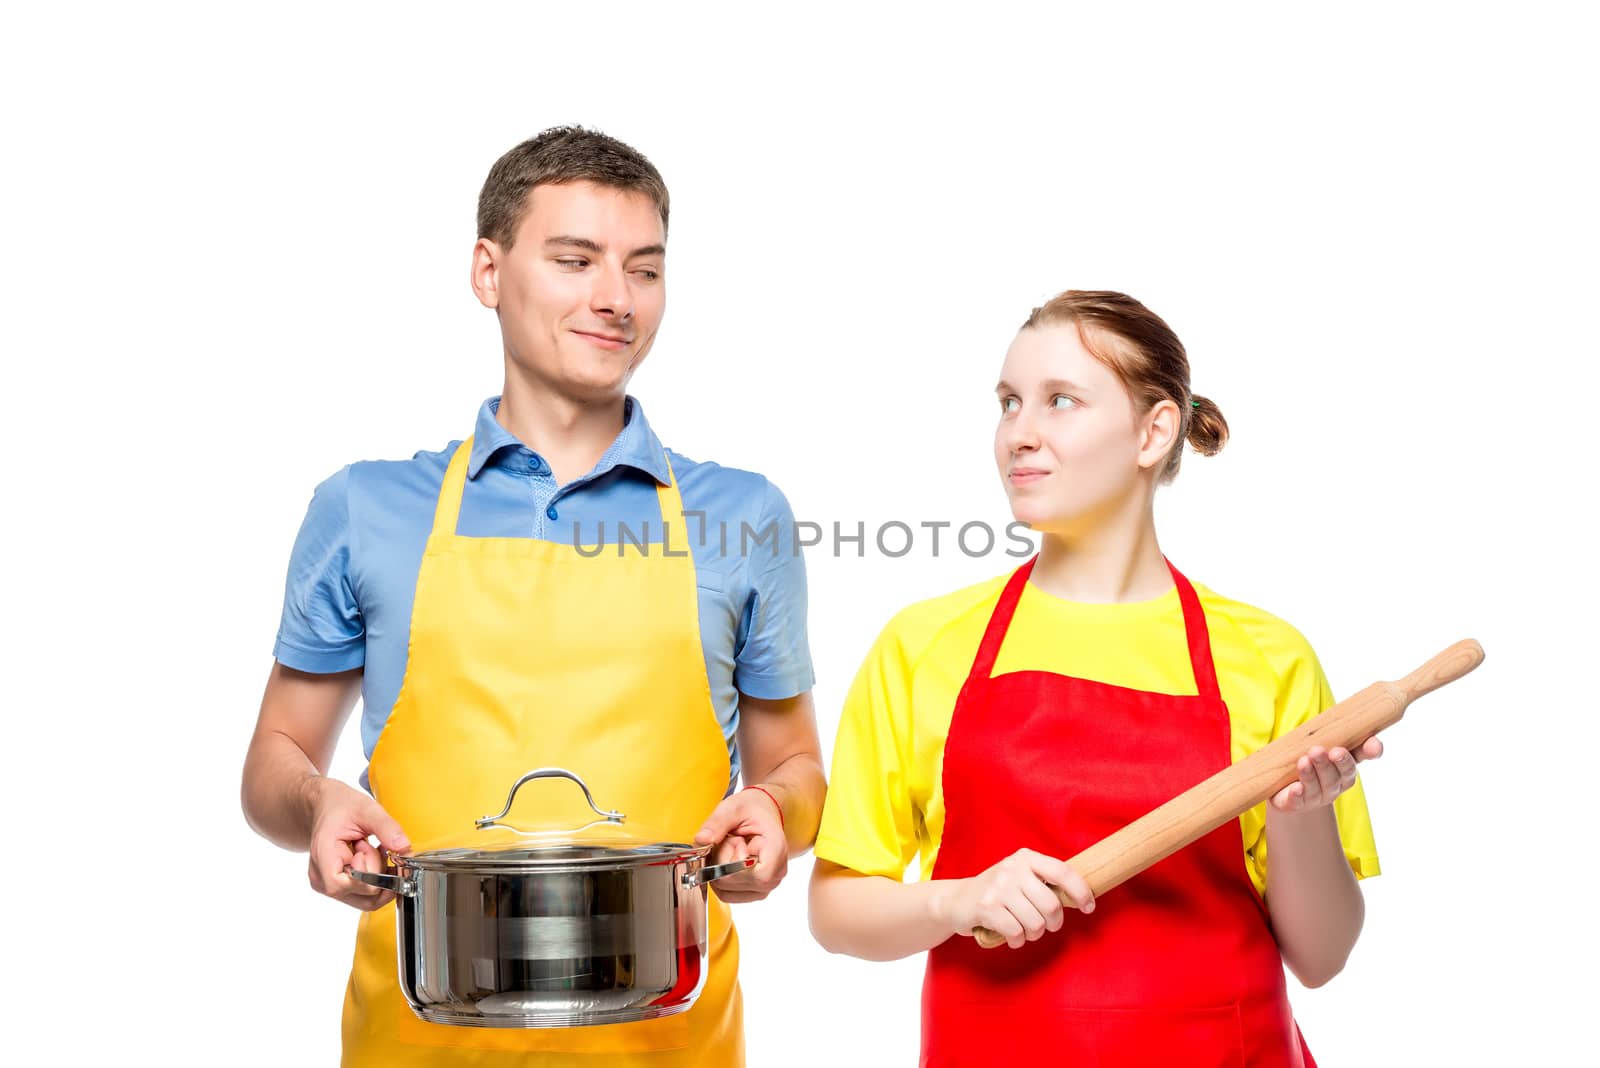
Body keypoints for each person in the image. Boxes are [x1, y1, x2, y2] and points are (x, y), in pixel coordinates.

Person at [241, 126, 825, 1068]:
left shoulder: (742, 516)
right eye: (575, 260)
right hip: (416, 1038)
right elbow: (273, 761)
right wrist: (315, 804)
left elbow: (796, 765)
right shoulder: (365, 509)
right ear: (488, 270)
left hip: (670, 1042)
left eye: (644, 269)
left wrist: (778, 812)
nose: (615, 299)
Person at [808, 290, 1381, 1066]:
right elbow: (837, 910)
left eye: (1060, 402)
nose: (1020, 433)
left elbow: (1323, 957)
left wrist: (1300, 812)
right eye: (1009, 403)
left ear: (1154, 431)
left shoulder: (1267, 656)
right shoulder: (926, 645)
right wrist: (957, 898)